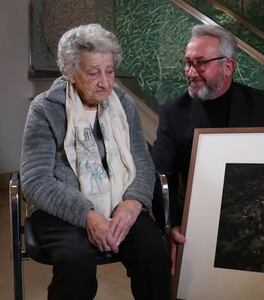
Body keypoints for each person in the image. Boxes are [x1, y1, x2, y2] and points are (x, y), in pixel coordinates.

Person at [20, 24, 170, 300]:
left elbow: (142, 162)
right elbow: (34, 180)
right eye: (93, 73)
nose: (105, 82)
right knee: (77, 262)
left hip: (118, 203)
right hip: (62, 212)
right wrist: (87, 215)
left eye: (109, 71)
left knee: (153, 253)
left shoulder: (123, 104)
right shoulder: (45, 108)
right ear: (70, 71)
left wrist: (133, 203)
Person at [151, 24, 264, 274]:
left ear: (228, 66)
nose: (191, 72)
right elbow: (161, 175)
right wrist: (173, 225)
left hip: (254, 213)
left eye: (201, 63)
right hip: (197, 219)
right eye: (187, 63)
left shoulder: (260, 104)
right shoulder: (173, 112)